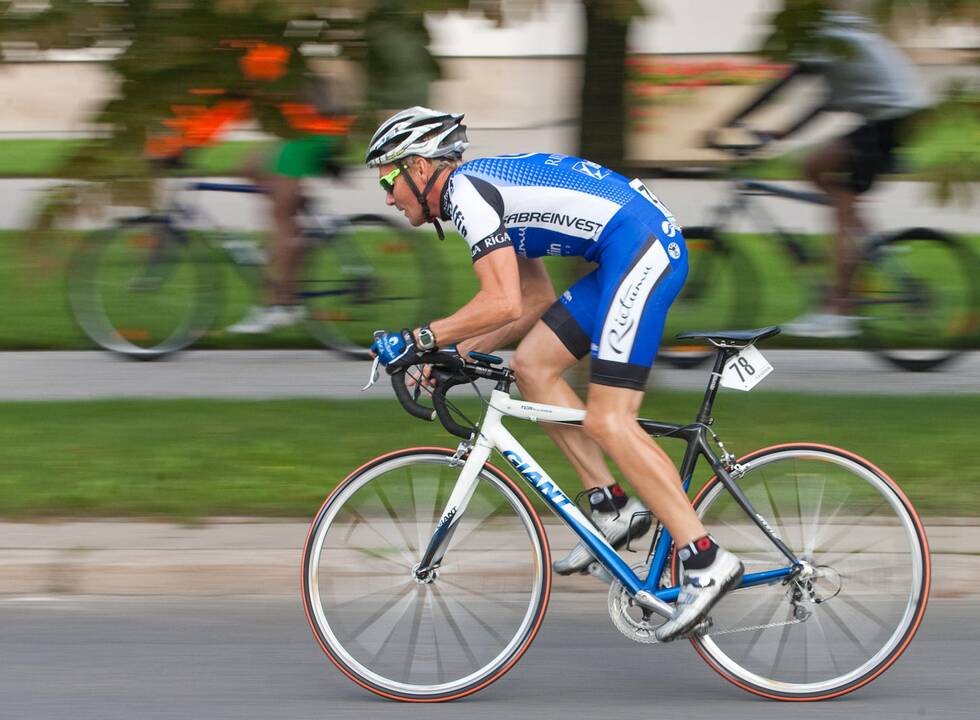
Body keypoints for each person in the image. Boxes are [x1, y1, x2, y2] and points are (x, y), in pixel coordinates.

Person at [366, 107, 743, 641]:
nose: (386, 195)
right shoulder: (479, 191)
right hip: (624, 250)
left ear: (421, 169)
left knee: (611, 421)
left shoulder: (469, 195)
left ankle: (705, 560)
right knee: (533, 367)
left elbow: (499, 301)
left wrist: (419, 339)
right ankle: (611, 510)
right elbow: (529, 302)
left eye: (388, 178)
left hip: (641, 250)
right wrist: (450, 355)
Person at [727, 8, 930, 338]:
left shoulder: (824, 33)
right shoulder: (836, 30)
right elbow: (822, 102)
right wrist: (783, 133)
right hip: (895, 115)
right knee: (814, 168)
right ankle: (868, 242)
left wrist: (729, 120)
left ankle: (836, 311)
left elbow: (785, 85)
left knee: (839, 209)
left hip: (890, 119)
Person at [145, 40, 353, 334]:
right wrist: (184, 143)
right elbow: (223, 109)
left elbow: (225, 109)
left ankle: (277, 304)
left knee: (281, 217)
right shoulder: (240, 47)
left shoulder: (247, 51)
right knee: (251, 166)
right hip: (305, 126)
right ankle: (295, 236)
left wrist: (182, 146)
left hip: (315, 130)